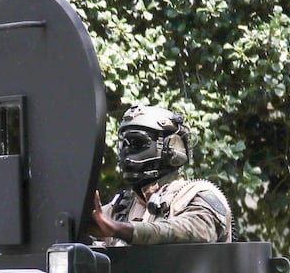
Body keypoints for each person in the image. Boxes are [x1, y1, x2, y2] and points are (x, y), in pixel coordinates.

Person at [88, 104, 232, 246]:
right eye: (123, 144)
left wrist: (120, 229)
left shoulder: (195, 194)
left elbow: (199, 230)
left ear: (171, 147)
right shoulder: (122, 207)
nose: (126, 151)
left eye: (136, 142)